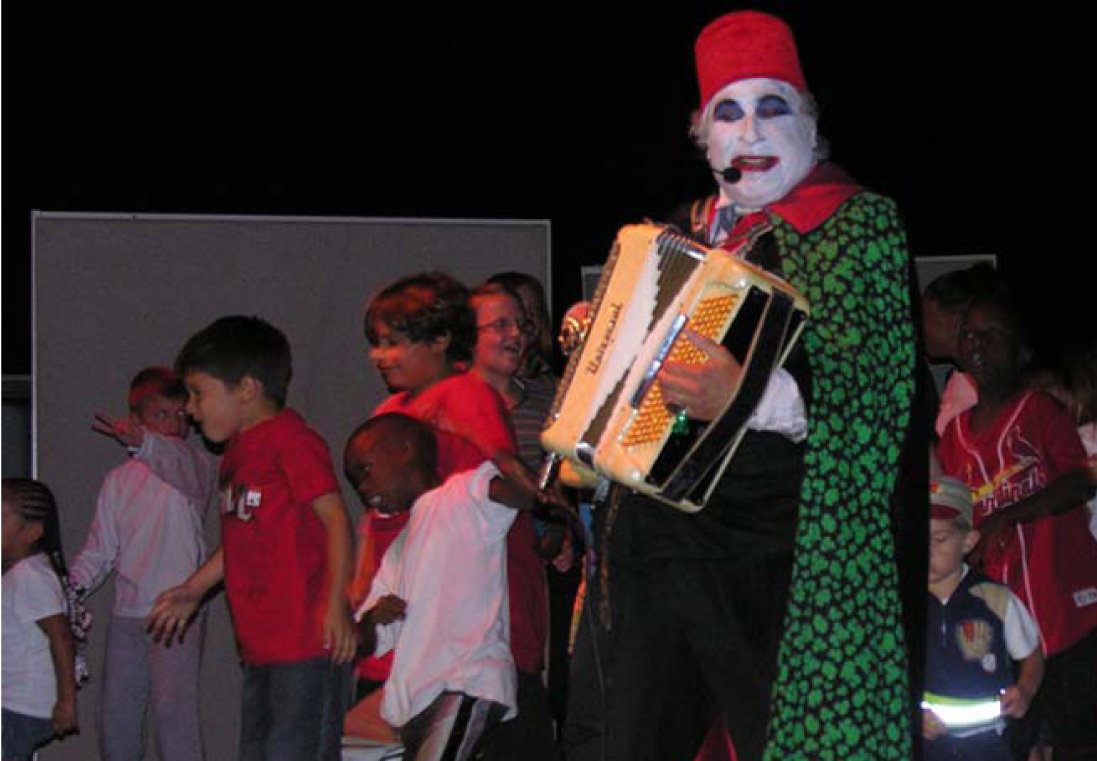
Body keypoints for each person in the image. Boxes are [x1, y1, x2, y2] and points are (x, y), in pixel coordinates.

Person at [563, 11, 918, 761]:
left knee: (789, 742)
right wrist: (599, 340)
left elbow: (878, 390)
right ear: (703, 135)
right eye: (729, 112)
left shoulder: (855, 225)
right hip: (654, 546)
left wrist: (749, 396)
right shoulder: (680, 230)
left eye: (771, 108)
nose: (750, 132)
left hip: (772, 551)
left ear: (809, 123)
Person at [356, 271, 557, 758]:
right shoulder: (393, 408)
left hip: (482, 603)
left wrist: (549, 507)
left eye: (390, 344)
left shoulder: (463, 395)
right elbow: (378, 517)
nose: (377, 356)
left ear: (441, 340)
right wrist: (361, 586)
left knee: (502, 726)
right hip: (421, 608)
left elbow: (505, 465)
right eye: (376, 345)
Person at [146, 315, 356, 761]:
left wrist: (336, 603)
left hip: (304, 641)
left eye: (199, 394)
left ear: (245, 388)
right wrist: (193, 589)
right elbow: (243, 539)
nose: (191, 409)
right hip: (261, 644)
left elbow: (335, 518)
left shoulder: (291, 440)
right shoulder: (238, 453)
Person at [937, 293, 1097, 759]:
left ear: (1020, 350)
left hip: (1066, 614)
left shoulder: (1039, 411)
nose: (978, 344)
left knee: (1078, 741)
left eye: (992, 335)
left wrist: (1008, 515)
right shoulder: (954, 435)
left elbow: (1078, 481)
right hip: (1005, 627)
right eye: (969, 335)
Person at [348, 413, 560, 759]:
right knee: (346, 747)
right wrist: (372, 619)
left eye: (366, 471)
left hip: (464, 682)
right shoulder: (399, 550)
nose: (364, 490)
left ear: (404, 450)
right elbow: (365, 642)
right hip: (414, 700)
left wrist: (504, 459)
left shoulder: (462, 492)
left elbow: (518, 494)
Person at [69, 366, 216, 761]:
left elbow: (173, 458)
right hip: (128, 612)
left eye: (180, 416)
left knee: (175, 717)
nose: (172, 425)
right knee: (117, 716)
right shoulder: (119, 480)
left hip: (177, 611)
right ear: (136, 418)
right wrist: (70, 588)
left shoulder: (194, 464)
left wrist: (145, 441)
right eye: (159, 415)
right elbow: (101, 548)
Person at [922, 475, 1043, 761]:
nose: (927, 551)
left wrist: (1025, 690)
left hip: (988, 745)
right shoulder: (901, 602)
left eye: (940, 539)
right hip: (926, 742)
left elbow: (1032, 652)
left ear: (968, 541)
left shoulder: (995, 598)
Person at [2, 478, 80, 761]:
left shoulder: (29, 576)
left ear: (32, 531)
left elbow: (60, 637)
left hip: (21, 704)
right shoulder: (21, 574)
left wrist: (66, 700)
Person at [921, 263, 1003, 435]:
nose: (920, 327)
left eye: (925, 315)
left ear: (954, 321)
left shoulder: (985, 389)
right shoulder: (958, 381)